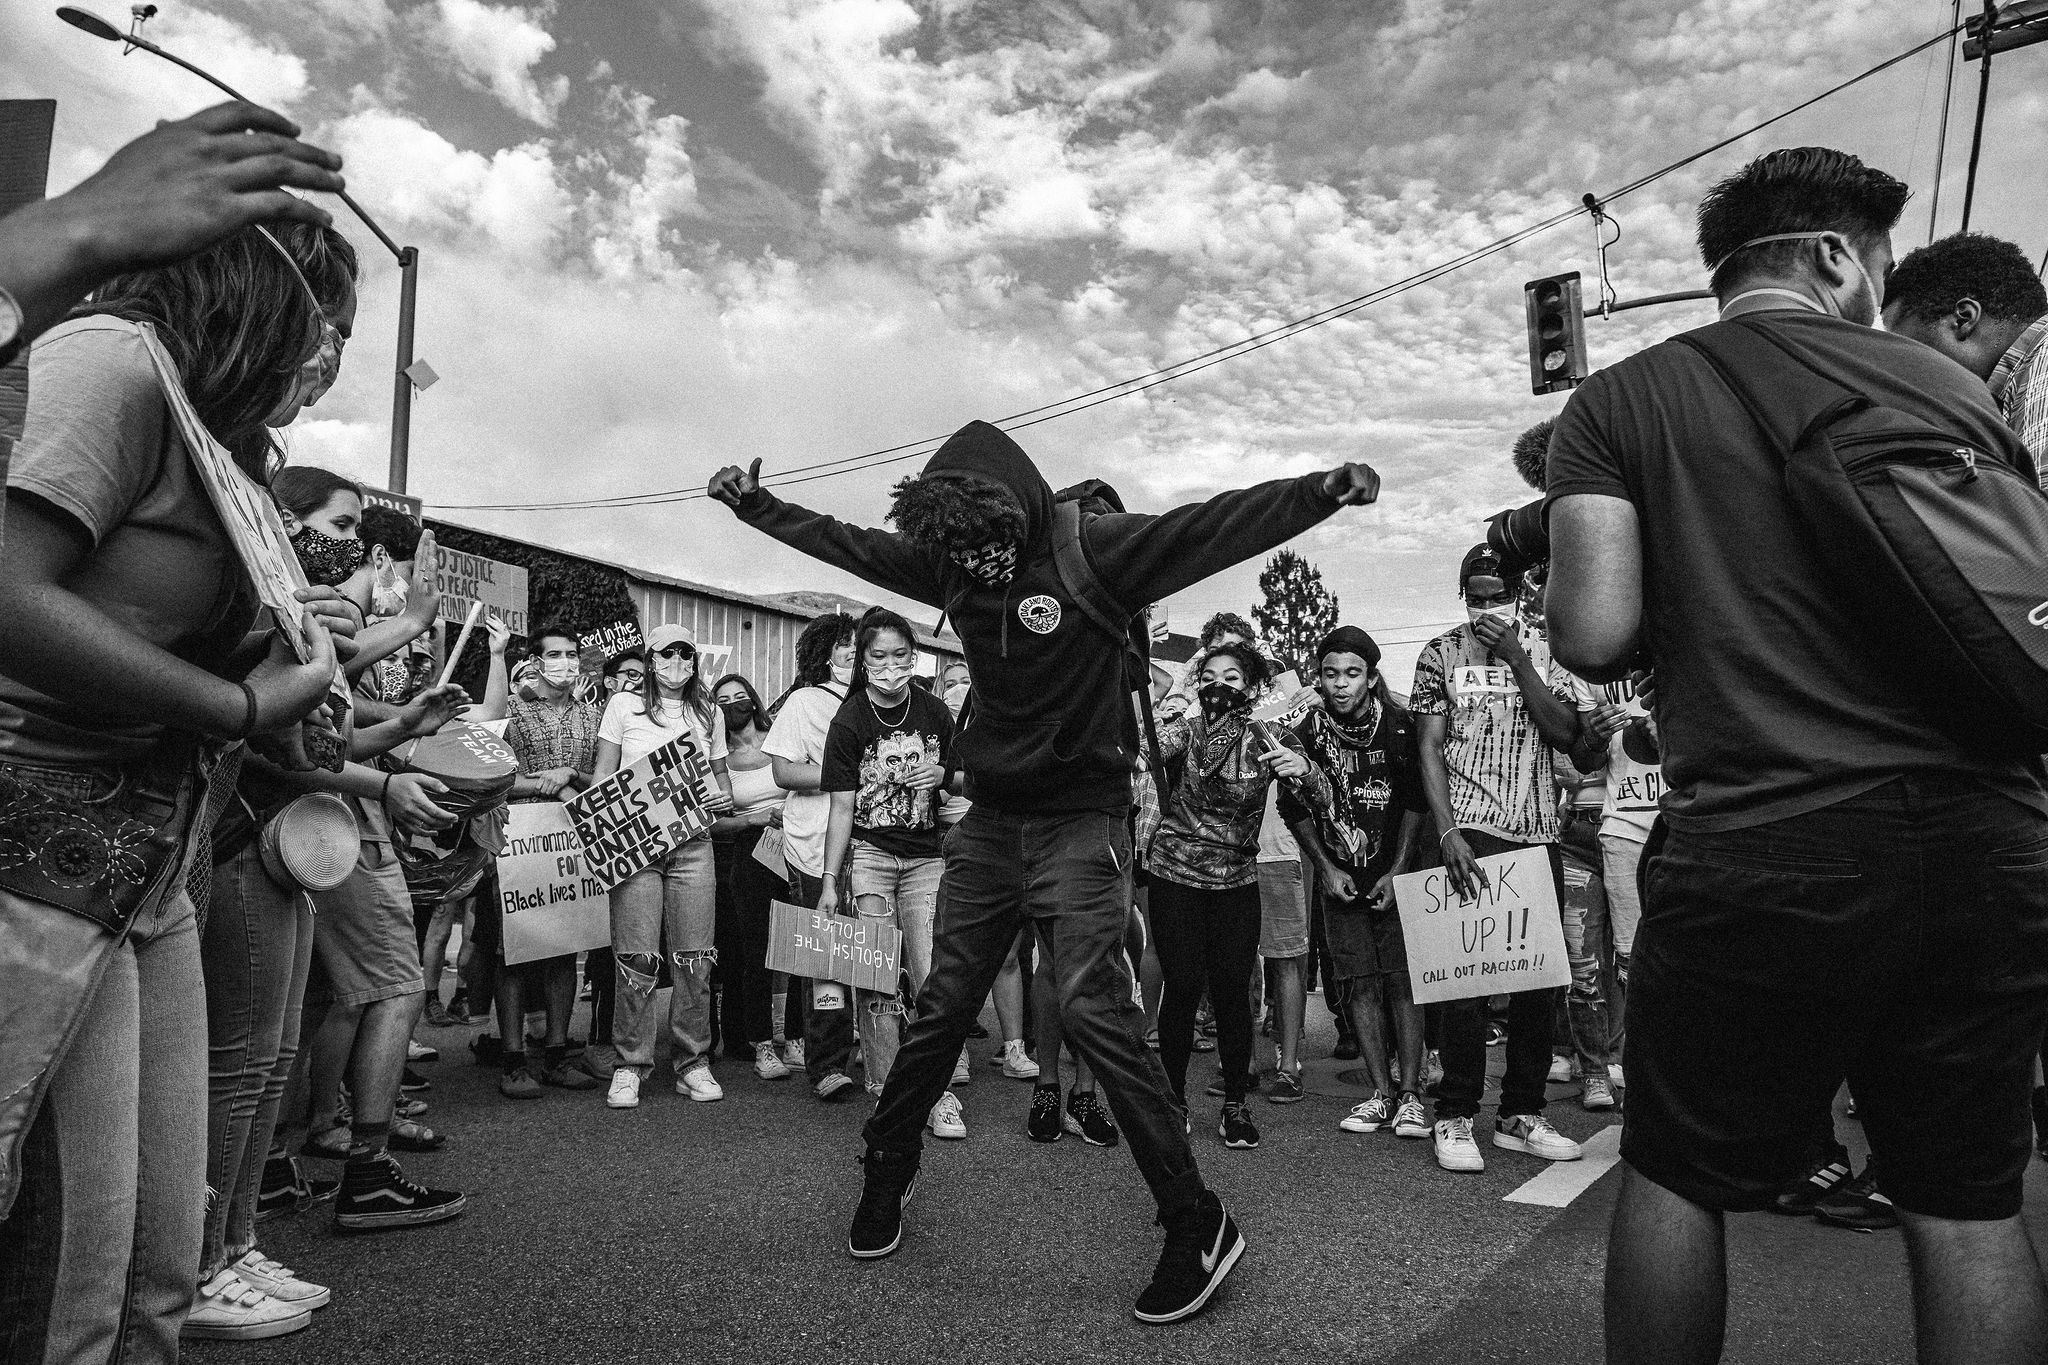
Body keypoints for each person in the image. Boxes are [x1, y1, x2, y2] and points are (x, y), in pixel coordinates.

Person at [1544, 146, 2048, 1365]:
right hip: (1988, 837)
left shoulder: (1620, 401)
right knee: (1965, 1200)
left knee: (1675, 1175)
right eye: (1876, 262)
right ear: (1834, 256)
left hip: (1768, 834)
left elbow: (1591, 633)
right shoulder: (1950, 390)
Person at [712, 420, 1378, 1322]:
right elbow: (850, 544)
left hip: (1083, 818)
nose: (980, 565)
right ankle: (887, 1166)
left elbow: (1213, 524)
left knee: (1096, 1009)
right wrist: (757, 507)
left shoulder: (1095, 551)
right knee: (945, 1000)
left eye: (993, 545)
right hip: (992, 822)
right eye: (962, 552)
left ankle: (1196, 1221)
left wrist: (1321, 491)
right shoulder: (948, 560)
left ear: (1020, 515)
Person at [0, 223, 346, 1355]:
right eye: (321, 326)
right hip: (41, 851)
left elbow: (170, 637)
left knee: (161, 1270)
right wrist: (241, 708)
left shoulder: (215, 440)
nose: (319, 358)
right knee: (70, 1285)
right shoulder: (107, 360)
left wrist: (288, 656)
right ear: (257, 295)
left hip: (154, 866)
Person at [1410, 546, 1585, 1175]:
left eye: (1497, 596)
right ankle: (1454, 1112)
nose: (1487, 608)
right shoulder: (1439, 653)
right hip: (1469, 831)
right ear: (1462, 596)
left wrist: (1515, 656)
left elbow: (1568, 733)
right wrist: (1448, 829)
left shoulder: (1548, 651)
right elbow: (1430, 747)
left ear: (1521, 594)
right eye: (1475, 596)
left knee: (1539, 984)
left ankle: (1520, 1114)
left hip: (1537, 830)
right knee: (1463, 985)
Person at [1148, 641, 1331, 1151]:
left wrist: (1305, 770)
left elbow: (1320, 793)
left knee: (1232, 991)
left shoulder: (1266, 734)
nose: (1219, 686)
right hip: (1174, 872)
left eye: (1232, 677)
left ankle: (1235, 1105)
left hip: (1236, 879)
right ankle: (1173, 1101)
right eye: (1210, 675)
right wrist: (1165, 706)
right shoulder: (1185, 726)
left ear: (1251, 689)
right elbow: (1141, 753)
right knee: (1181, 985)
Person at [818, 609, 965, 1139]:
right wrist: (830, 883)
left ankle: (938, 1091)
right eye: (877, 656)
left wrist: (944, 774)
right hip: (871, 856)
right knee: (877, 974)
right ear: (862, 661)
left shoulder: (933, 711)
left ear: (914, 656)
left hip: (927, 859)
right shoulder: (850, 719)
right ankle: (884, 1088)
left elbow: (966, 775)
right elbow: (840, 807)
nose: (889, 666)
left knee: (930, 975)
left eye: (899, 655)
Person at [1281, 627, 1430, 1141]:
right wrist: (1325, 867)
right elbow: (1292, 807)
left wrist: (1401, 869)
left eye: (1352, 674)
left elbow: (1417, 799)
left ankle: (1411, 1095)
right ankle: (1381, 1092)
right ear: (1318, 677)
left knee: (1404, 983)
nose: (1341, 685)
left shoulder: (1401, 728)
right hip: (1341, 878)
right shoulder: (1304, 734)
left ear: (1371, 676)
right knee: (1358, 985)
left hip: (1395, 876)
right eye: (1330, 674)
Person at [596, 623, 735, 1109]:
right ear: (650, 659)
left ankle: (692, 1061)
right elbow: (603, 779)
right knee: (635, 956)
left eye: (686, 654)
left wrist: (724, 795)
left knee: (696, 956)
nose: (677, 662)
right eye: (666, 653)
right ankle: (630, 1063)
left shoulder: (708, 712)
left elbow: (722, 780)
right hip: (637, 846)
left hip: (694, 843)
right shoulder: (622, 706)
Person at [488, 623, 603, 1097]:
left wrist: (572, 773)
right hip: (517, 837)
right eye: (554, 654)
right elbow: (489, 772)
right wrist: (540, 784)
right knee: (512, 949)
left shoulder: (593, 716)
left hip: (572, 842)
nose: (566, 663)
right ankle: (514, 1059)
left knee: (564, 945)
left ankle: (556, 1053)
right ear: (535, 662)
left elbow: (603, 774)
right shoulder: (510, 711)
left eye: (572, 654)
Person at [763, 611, 859, 1100]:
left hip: (874, 847)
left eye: (859, 644)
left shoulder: (875, 701)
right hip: (813, 848)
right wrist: (850, 774)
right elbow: (783, 771)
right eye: (844, 644)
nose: (853, 652)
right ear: (823, 653)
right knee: (825, 958)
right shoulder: (803, 702)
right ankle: (827, 1062)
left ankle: (873, 1044)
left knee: (871, 952)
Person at [1881, 231, 2048, 474]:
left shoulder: (2041, 361)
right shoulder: (2016, 387)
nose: (1910, 378)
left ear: (1964, 319)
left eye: (1913, 353)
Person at [708, 670, 797, 1080]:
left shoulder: (780, 737)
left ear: (755, 700)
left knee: (800, 943)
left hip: (796, 848)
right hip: (750, 852)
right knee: (756, 949)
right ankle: (762, 1042)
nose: (733, 705)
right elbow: (711, 825)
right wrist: (754, 818)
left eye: (740, 696)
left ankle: (795, 1036)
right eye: (723, 700)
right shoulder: (715, 756)